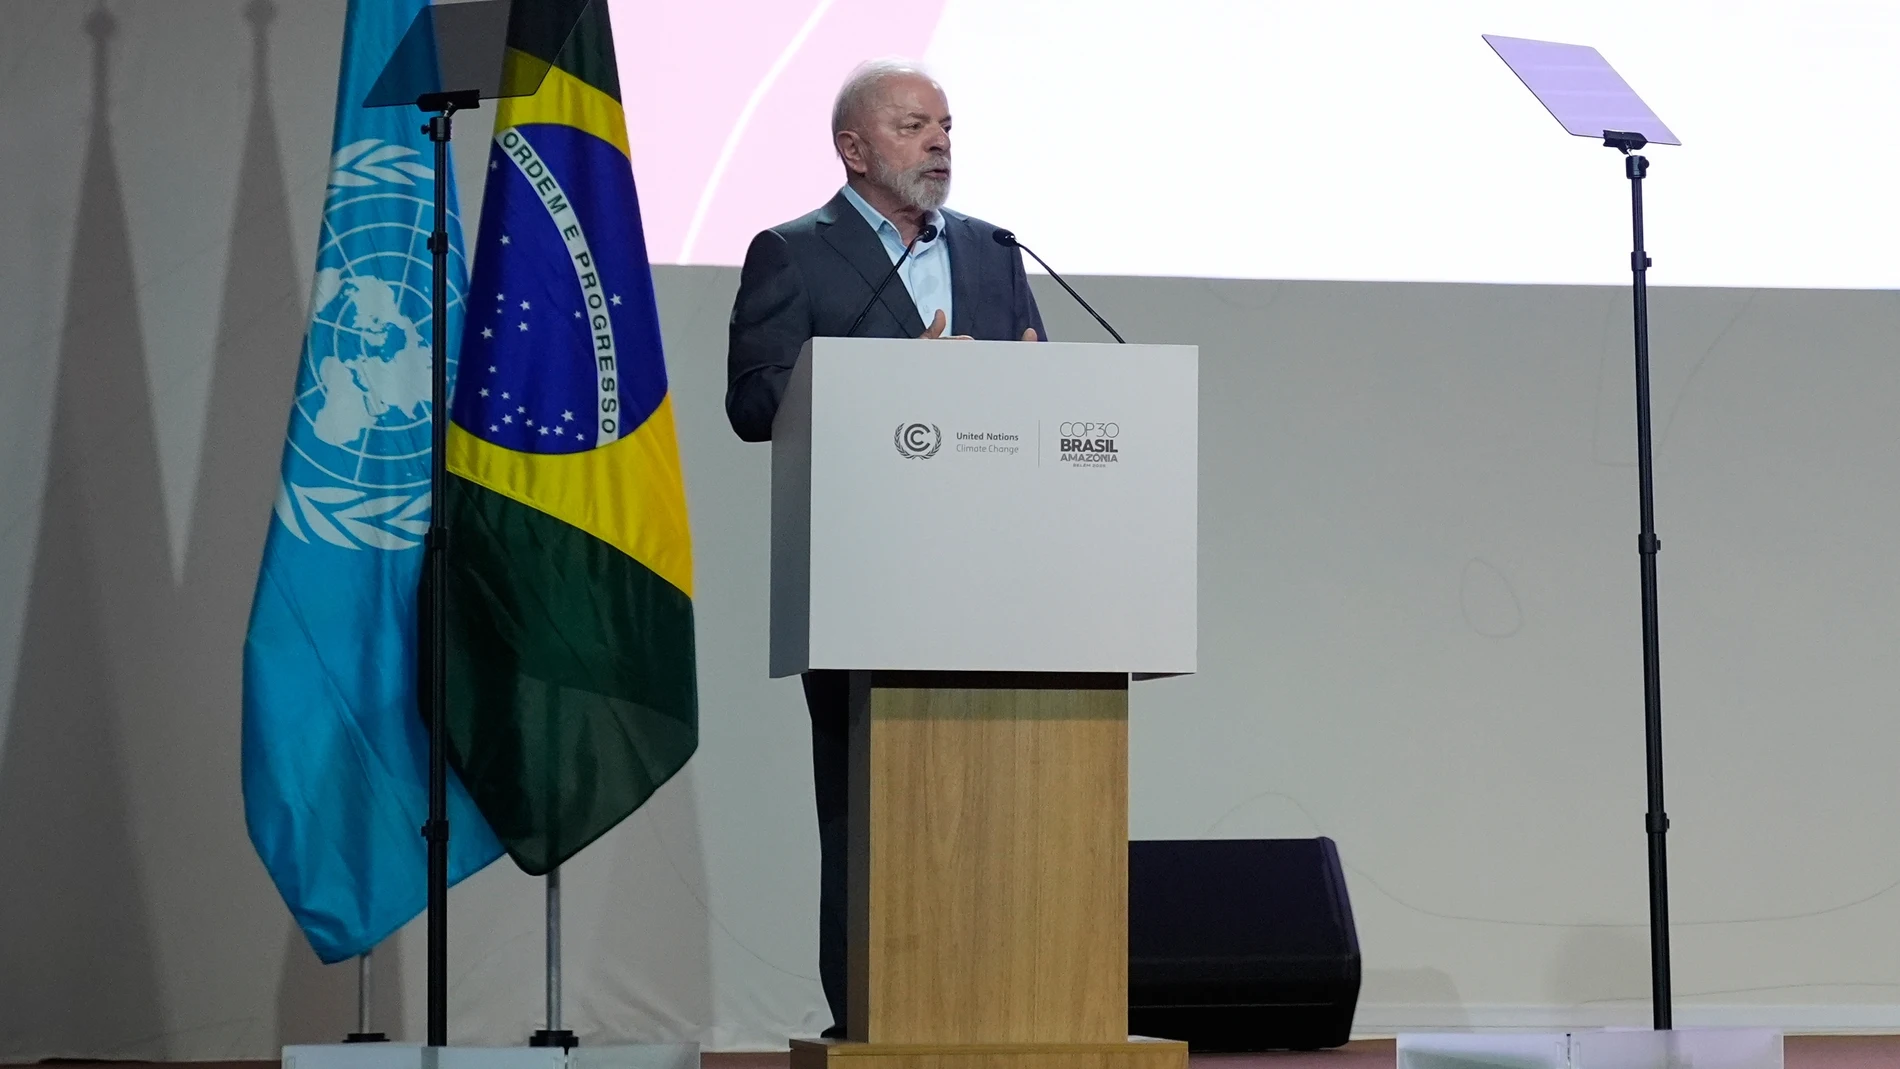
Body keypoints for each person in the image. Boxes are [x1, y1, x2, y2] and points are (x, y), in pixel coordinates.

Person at [725, 58, 1046, 1037]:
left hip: (996, 578)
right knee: (869, 814)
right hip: (865, 577)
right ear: (854, 148)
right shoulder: (793, 253)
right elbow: (752, 402)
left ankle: (997, 1003)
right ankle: (869, 1019)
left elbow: (1038, 390)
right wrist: (892, 380)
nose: (939, 142)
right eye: (914, 126)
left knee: (1001, 805)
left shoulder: (992, 252)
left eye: (946, 125)